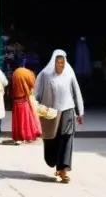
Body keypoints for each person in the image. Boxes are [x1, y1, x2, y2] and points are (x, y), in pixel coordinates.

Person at [35, 50, 84, 183]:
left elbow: (76, 92)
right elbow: (36, 94)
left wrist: (80, 112)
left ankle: (63, 169)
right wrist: (36, 110)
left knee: (67, 138)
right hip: (50, 112)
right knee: (51, 139)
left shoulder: (69, 74)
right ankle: (54, 161)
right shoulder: (44, 75)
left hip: (68, 110)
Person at [10, 65, 41, 143]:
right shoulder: (28, 73)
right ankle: (27, 136)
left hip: (16, 100)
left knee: (18, 120)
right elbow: (33, 84)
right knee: (26, 119)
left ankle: (19, 137)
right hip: (25, 99)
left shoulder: (15, 73)